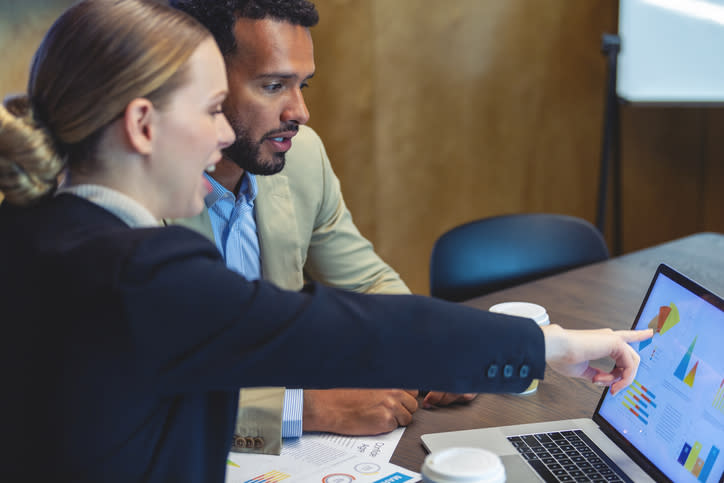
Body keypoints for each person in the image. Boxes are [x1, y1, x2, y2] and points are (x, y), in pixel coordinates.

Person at [0, 0, 652, 481]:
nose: (220, 135)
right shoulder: (139, 271)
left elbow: (359, 301)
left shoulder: (36, 232)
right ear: (142, 124)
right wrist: (548, 345)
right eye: (209, 109)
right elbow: (343, 329)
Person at [166, 0, 475, 453]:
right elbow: (145, 388)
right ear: (202, 82)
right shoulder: (139, 187)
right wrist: (308, 408)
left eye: (302, 85)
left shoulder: (300, 155)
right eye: (273, 86)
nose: (300, 112)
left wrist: (429, 349)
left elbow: (366, 281)